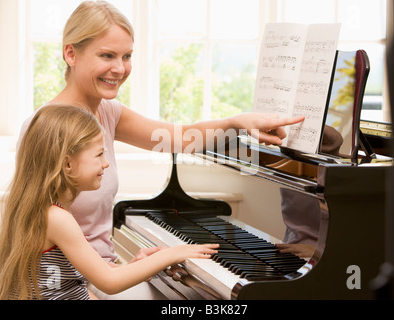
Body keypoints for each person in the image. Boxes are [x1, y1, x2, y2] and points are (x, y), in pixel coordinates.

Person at [16, 1, 304, 299]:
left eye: (127, 56)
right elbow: (30, 235)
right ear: (71, 53)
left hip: (101, 273)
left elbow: (178, 138)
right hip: (75, 286)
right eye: (107, 55)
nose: (119, 68)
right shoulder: (46, 129)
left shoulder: (109, 113)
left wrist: (237, 123)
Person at [0, 105, 219, 300]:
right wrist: (172, 254)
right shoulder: (57, 218)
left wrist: (131, 267)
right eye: (99, 154)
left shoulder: (46, 210)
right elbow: (109, 283)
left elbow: (76, 274)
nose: (106, 163)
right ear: (68, 165)